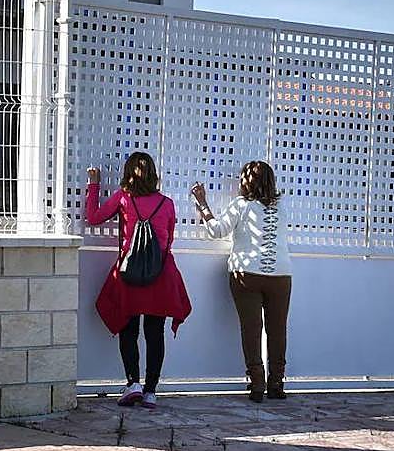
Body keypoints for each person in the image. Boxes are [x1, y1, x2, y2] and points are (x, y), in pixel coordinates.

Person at [86, 152, 192, 409]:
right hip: (161, 274)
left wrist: (94, 184)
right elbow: (168, 241)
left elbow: (93, 217)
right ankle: (151, 391)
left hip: (129, 273)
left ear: (128, 173)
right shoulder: (167, 203)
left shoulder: (123, 198)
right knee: (155, 334)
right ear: (154, 174)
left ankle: (132, 383)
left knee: (128, 329)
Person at [191, 161, 294, 403]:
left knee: (252, 330)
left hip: (246, 274)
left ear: (245, 181)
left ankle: (257, 383)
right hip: (280, 275)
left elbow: (216, 231)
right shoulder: (281, 206)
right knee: (277, 330)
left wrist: (203, 205)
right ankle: (277, 383)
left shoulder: (242, 205)